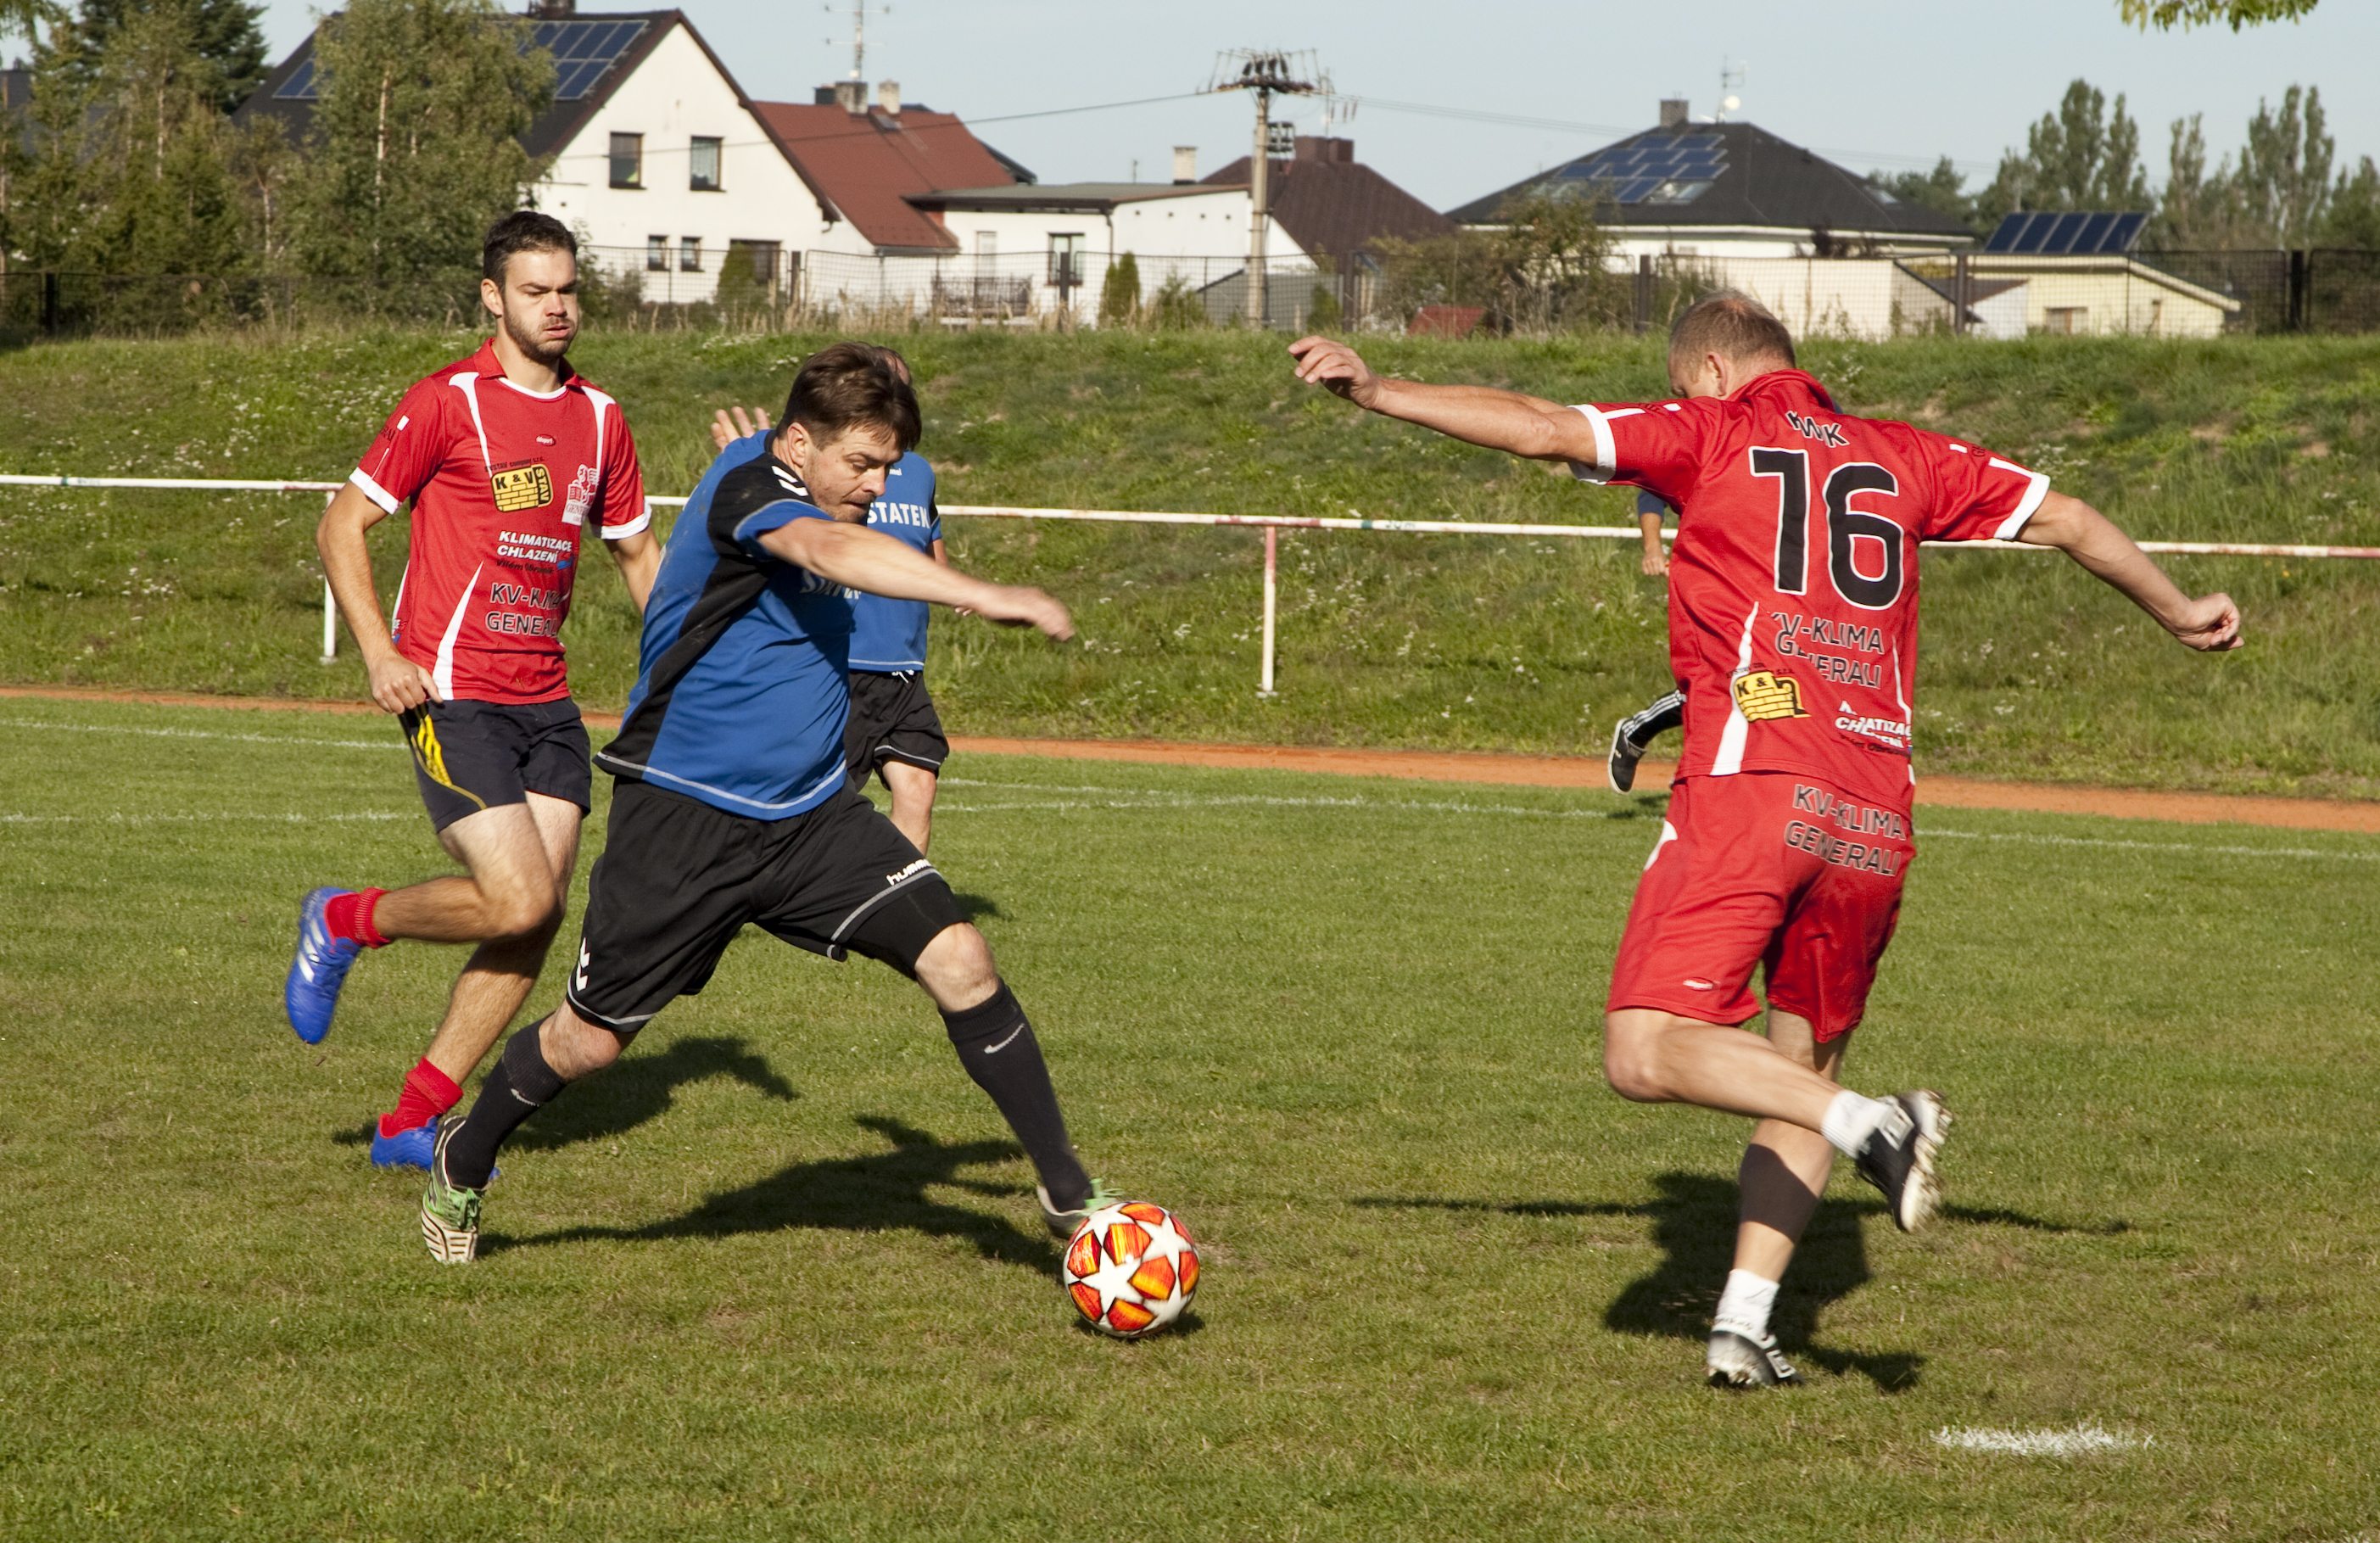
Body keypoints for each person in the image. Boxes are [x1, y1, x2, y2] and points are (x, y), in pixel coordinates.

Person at [1289, 294, 2240, 1388]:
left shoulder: (1713, 431)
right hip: (1875, 817)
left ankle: (1877, 1124)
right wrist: (2177, 610)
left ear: (1705, 367)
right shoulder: (1907, 456)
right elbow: (2071, 519)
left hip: (1754, 789)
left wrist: (1379, 391)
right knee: (1793, 1067)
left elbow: (1546, 426)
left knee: (1644, 1050)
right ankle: (1745, 1323)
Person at [416, 343, 1129, 1265]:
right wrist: (984, 593)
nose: (876, 485)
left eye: (886, 466)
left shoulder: (812, 479)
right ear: (797, 442)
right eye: (860, 464)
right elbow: (825, 546)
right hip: (682, 820)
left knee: (962, 957)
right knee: (587, 1044)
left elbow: (847, 535)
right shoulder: (749, 489)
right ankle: (463, 1154)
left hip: (807, 820)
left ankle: (1067, 1193)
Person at [289, 211, 659, 1172]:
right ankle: (344, 919)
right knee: (516, 896)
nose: (558, 307)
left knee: (533, 916)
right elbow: (340, 528)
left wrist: (681, 676)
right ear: (493, 297)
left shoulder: (600, 419)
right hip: (451, 693)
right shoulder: (446, 402)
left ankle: (410, 1123)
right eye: (536, 291)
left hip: (550, 705)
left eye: (568, 290)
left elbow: (637, 555)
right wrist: (378, 652)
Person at [711, 366, 952, 853]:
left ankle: (901, 898)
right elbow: (814, 538)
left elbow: (930, 545)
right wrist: (750, 460)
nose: (876, 484)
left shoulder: (916, 472)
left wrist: (961, 589)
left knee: (918, 787)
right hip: (842, 663)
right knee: (822, 805)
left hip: (904, 668)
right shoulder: (827, 470)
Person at [1610, 488, 1685, 794]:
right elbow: (1654, 490)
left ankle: (1700, 771)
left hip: (1771, 583)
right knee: (1722, 682)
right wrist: (1653, 548)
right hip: (1710, 580)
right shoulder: (1714, 446)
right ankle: (1638, 732)